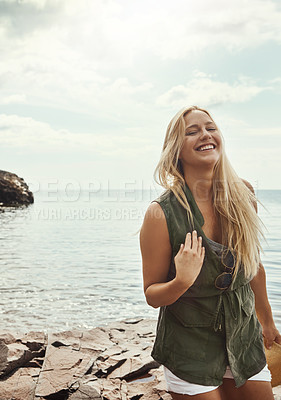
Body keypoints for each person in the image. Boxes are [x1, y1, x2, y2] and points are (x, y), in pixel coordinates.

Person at [140, 105, 281, 400]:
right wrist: (181, 281)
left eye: (210, 127)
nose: (205, 134)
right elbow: (153, 294)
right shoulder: (160, 214)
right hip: (189, 347)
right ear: (176, 150)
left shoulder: (244, 194)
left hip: (244, 338)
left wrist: (267, 320)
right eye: (192, 131)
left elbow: (252, 265)